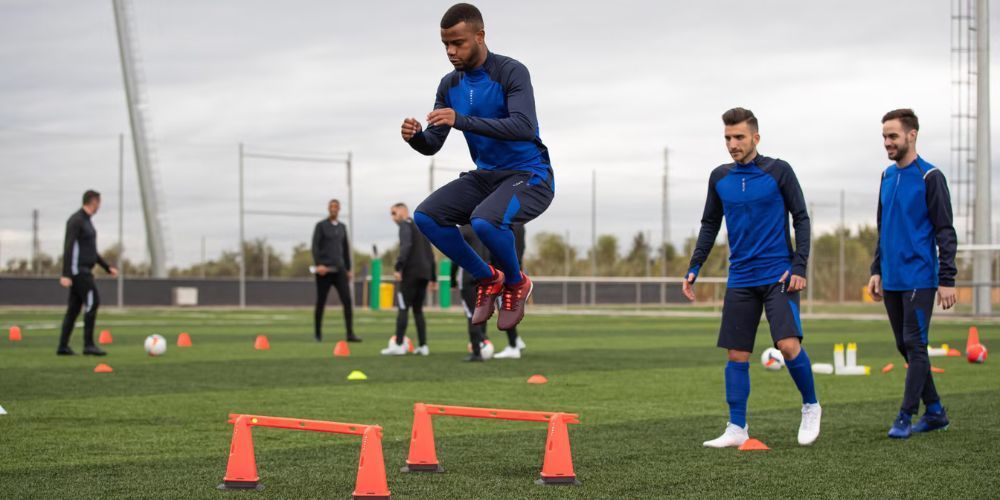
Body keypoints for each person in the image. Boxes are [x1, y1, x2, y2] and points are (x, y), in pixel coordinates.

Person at [400, 2, 554, 333]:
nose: (451, 51)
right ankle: (489, 277)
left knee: (484, 221)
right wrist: (416, 139)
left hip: (530, 176)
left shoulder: (511, 71)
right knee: (426, 216)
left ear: (480, 36)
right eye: (445, 45)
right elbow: (433, 144)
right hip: (487, 177)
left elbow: (523, 127)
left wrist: (463, 120)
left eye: (458, 43)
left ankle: (516, 283)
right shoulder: (449, 86)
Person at [683, 108, 821, 447]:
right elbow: (709, 224)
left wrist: (800, 267)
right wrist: (694, 266)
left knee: (789, 345)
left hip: (779, 275)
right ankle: (737, 427)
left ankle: (811, 405)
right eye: (728, 138)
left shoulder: (779, 171)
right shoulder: (719, 178)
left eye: (739, 137)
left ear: (755, 138)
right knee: (736, 354)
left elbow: (801, 218)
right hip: (740, 277)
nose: (732, 144)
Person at [868, 109, 957, 439]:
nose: (887, 142)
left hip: (920, 277)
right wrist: (876, 270)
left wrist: (947, 279)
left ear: (911, 135)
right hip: (891, 277)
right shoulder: (886, 177)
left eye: (893, 136)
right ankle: (935, 411)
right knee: (904, 345)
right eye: (884, 137)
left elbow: (945, 231)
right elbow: (883, 227)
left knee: (915, 344)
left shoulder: (930, 176)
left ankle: (906, 414)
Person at [453, 224, 528, 361]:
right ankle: (506, 341)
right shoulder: (486, 228)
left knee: (472, 313)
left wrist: (452, 278)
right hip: (489, 275)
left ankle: (479, 350)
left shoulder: (464, 230)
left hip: (472, 276)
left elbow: (455, 254)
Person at [58, 190, 117, 356]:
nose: (100, 206)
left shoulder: (87, 222)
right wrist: (66, 273)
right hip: (79, 272)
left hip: (84, 270)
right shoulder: (76, 220)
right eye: (99, 202)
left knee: (74, 309)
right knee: (93, 302)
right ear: (94, 202)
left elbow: (91, 251)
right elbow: (68, 246)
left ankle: (63, 346)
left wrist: (106, 267)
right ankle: (88, 345)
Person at [382, 203, 436, 356]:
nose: (392, 217)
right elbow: (430, 254)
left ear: (403, 211)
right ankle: (423, 346)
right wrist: (433, 277)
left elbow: (406, 246)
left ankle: (398, 345)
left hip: (410, 273)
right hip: (424, 274)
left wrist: (399, 267)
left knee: (403, 307)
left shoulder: (405, 225)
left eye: (394, 212)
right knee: (418, 310)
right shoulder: (420, 227)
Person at [312, 199, 359, 343]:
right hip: (324, 271)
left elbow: (345, 250)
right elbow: (315, 247)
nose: (334, 209)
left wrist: (349, 269)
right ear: (328, 209)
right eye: (331, 207)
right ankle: (318, 334)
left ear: (339, 209)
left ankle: (350, 334)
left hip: (340, 271)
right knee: (321, 302)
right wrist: (319, 264)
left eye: (336, 207)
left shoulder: (343, 227)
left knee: (347, 301)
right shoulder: (320, 226)